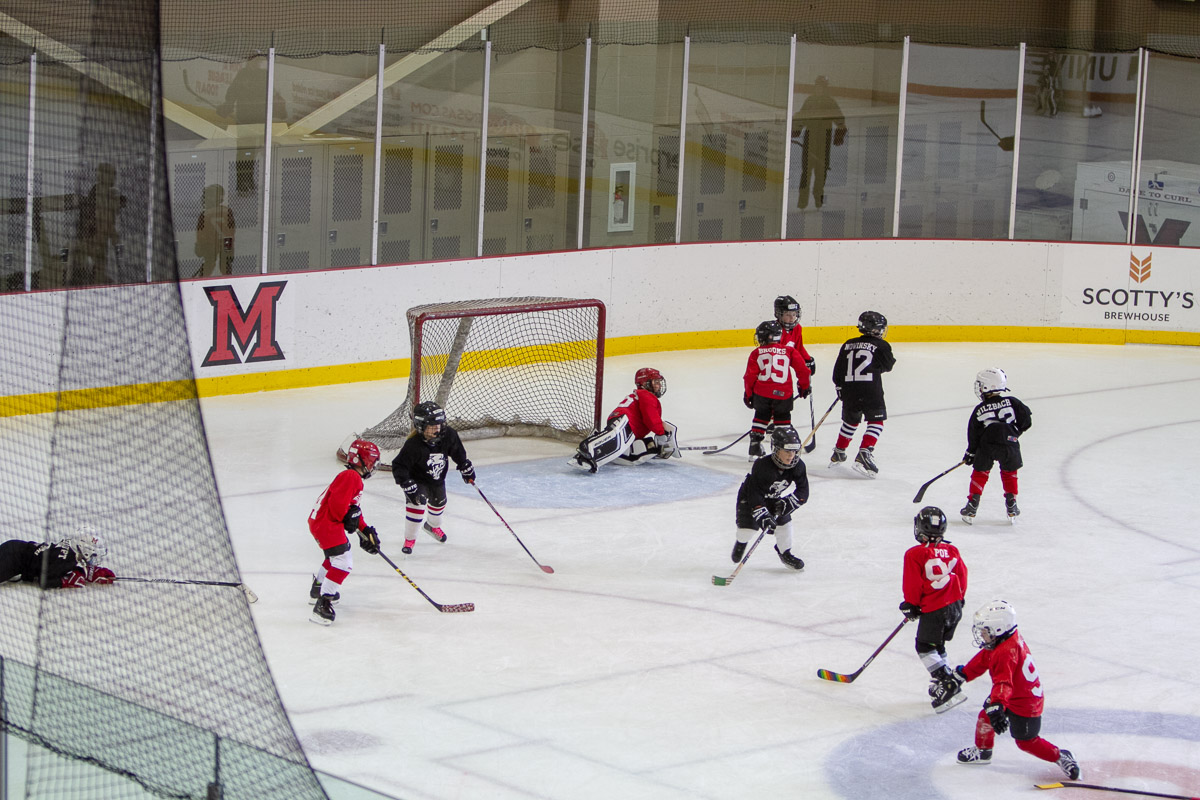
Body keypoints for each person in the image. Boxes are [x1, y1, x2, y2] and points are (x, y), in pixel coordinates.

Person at [952, 599, 1081, 781]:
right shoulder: (1004, 640)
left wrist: (997, 704)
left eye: (985, 631)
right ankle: (983, 751)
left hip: (1026, 702)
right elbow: (985, 658)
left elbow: (1003, 683)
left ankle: (1060, 756)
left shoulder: (1005, 652)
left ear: (998, 629)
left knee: (1026, 741)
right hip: (1013, 693)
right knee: (986, 716)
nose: (981, 635)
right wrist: (964, 674)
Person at [900, 507, 968, 713]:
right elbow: (962, 576)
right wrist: (960, 598)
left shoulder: (914, 554)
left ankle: (948, 684)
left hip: (935, 609)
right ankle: (941, 683)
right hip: (955, 606)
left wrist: (911, 604)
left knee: (924, 646)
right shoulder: (953, 551)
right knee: (937, 645)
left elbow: (913, 584)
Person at [308, 438, 382, 625]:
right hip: (326, 523)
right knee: (344, 561)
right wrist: (350, 520)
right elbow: (338, 508)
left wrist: (365, 530)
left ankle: (318, 588)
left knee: (335, 556)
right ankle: (322, 604)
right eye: (372, 461)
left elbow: (352, 510)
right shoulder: (351, 477)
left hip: (322, 522)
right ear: (363, 460)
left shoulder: (352, 477)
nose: (373, 466)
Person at [391, 401, 475, 555]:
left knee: (439, 504)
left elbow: (457, 451)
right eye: (432, 426)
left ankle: (432, 526)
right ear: (421, 426)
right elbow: (399, 465)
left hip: (437, 479)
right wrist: (406, 482)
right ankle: (410, 539)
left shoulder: (448, 435)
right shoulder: (413, 445)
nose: (437, 429)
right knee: (417, 505)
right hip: (417, 480)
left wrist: (464, 465)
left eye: (439, 424)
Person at [571, 368, 679, 473]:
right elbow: (651, 419)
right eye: (656, 382)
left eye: (659, 382)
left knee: (635, 448)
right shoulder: (647, 396)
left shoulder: (640, 395)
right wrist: (661, 432)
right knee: (614, 439)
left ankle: (597, 441)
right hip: (625, 421)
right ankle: (587, 450)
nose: (659, 385)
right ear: (645, 383)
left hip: (622, 420)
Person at [960, 368, 1033, 524]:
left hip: (987, 444)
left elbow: (974, 434)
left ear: (988, 386)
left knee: (980, 472)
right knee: (1009, 472)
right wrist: (1013, 433)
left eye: (981, 385)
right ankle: (1012, 503)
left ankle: (972, 504)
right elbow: (1026, 420)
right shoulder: (1012, 402)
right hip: (1010, 444)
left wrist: (971, 453)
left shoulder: (980, 409)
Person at [731, 426, 808, 571]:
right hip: (749, 498)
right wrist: (763, 515)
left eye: (794, 451)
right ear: (776, 449)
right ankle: (741, 542)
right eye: (787, 451)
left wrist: (788, 503)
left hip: (773, 499)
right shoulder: (762, 466)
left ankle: (785, 553)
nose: (791, 455)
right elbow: (754, 495)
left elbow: (803, 492)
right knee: (747, 531)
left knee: (785, 524)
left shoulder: (798, 466)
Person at [830, 310, 895, 477]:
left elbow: (838, 370)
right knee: (876, 421)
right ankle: (865, 452)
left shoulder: (848, 344)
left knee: (850, 421)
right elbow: (888, 366)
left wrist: (840, 387)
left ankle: (839, 452)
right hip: (870, 389)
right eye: (879, 328)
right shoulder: (881, 345)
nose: (881, 331)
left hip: (849, 389)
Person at [744, 320, 811, 461]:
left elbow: (749, 376)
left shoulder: (756, 353)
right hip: (783, 393)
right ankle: (781, 450)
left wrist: (749, 394)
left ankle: (755, 446)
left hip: (762, 393)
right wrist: (804, 386)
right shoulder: (789, 350)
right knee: (782, 419)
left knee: (761, 415)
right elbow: (803, 371)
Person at [792, 75, 847, 210]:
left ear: (825, 88)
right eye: (817, 86)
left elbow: (840, 118)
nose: (818, 89)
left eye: (821, 87)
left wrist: (840, 131)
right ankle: (802, 202)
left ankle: (818, 201)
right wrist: (795, 128)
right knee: (806, 172)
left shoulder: (830, 102)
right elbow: (801, 116)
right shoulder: (809, 101)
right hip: (809, 139)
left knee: (821, 172)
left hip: (824, 141)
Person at [0, 528, 114, 589]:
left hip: (15, 546)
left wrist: (86, 573)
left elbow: (56, 566)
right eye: (93, 555)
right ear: (85, 550)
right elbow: (44, 581)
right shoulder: (67, 559)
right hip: (13, 561)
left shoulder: (70, 549)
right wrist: (65, 582)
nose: (94, 560)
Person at [69, 162, 125, 286]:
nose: (114, 178)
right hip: (91, 241)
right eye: (111, 174)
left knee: (99, 275)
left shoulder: (110, 193)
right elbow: (100, 220)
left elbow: (110, 224)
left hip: (100, 245)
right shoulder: (99, 192)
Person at [195, 184, 236, 277]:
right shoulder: (227, 211)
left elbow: (201, 233)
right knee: (225, 265)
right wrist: (231, 247)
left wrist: (199, 245)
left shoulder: (204, 214)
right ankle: (228, 280)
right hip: (225, 242)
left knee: (209, 263)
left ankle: (202, 281)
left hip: (210, 244)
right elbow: (231, 230)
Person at [774, 295, 815, 377]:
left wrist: (807, 359)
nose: (792, 318)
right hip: (775, 367)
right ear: (779, 314)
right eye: (787, 315)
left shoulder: (797, 328)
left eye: (794, 314)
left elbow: (799, 347)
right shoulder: (774, 330)